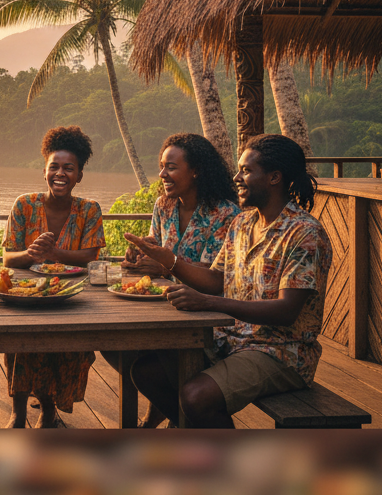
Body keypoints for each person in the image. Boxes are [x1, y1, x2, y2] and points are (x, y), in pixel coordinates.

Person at [126, 133, 332, 428]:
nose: (236, 177)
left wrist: (208, 303)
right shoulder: (243, 223)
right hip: (230, 339)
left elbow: (286, 311)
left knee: (197, 397)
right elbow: (216, 279)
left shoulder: (304, 233)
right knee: (147, 371)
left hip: (280, 351)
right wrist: (167, 259)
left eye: (246, 170)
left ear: (274, 177)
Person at [115, 131, 240, 427]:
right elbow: (158, 250)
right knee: (127, 355)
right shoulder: (164, 206)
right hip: (164, 304)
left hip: (209, 314)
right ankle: (179, 420)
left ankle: (184, 423)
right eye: (162, 166)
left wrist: (164, 265)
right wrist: (139, 258)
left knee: (146, 364)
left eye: (171, 167)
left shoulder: (224, 214)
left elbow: (215, 277)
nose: (162, 174)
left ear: (196, 170)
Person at [2, 126, 105, 428]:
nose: (60, 174)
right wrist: (32, 255)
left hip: (73, 297)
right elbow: (8, 258)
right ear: (44, 171)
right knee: (22, 344)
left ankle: (49, 411)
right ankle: (18, 414)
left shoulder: (89, 210)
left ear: (79, 175)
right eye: (54, 167)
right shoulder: (24, 204)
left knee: (68, 347)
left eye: (68, 168)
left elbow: (90, 257)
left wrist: (55, 254)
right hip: (26, 295)